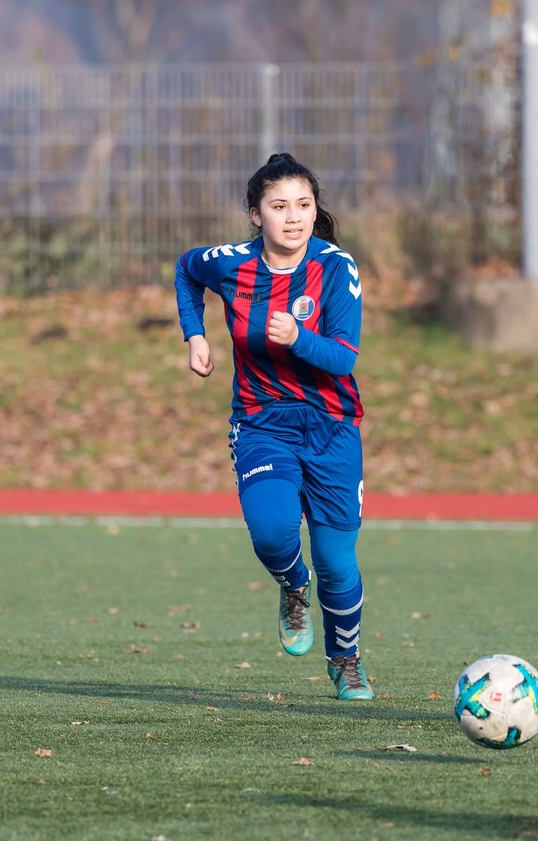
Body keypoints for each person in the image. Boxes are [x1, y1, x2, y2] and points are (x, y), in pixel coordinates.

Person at [174, 152, 373, 700]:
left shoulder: (337, 268)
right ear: (255, 213)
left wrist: (298, 339)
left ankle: (346, 660)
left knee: (337, 561)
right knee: (272, 531)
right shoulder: (230, 262)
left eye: (304, 205)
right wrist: (196, 335)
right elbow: (186, 271)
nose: (293, 217)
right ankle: (292, 586)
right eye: (279, 206)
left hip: (332, 427)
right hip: (263, 423)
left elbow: (343, 358)